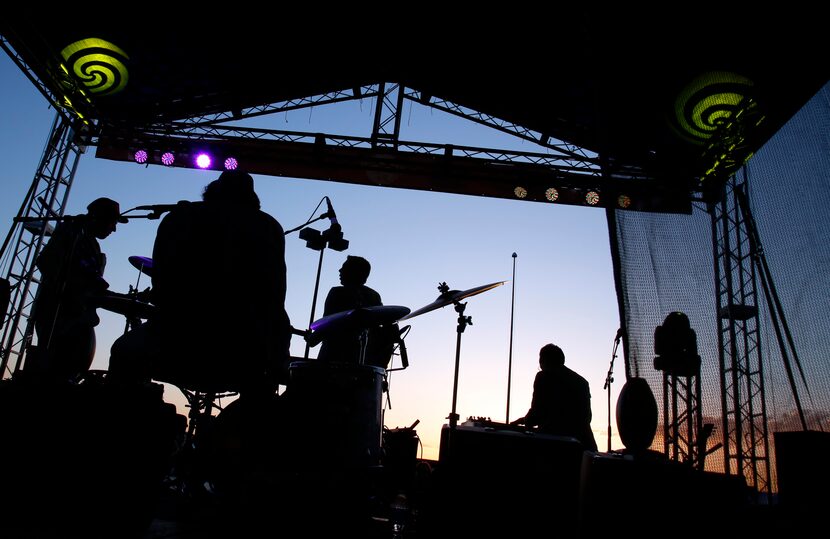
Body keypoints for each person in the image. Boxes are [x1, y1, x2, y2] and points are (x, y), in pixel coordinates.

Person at [108, 170, 292, 399]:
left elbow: (162, 280)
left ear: (213, 190)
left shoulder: (180, 216)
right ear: (252, 198)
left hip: (177, 339)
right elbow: (275, 294)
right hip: (244, 345)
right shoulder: (270, 226)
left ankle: (118, 424)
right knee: (263, 380)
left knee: (123, 352)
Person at [30, 197, 127, 382]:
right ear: (99, 218)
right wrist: (68, 293)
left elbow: (92, 287)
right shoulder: (71, 232)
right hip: (60, 317)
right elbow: (47, 263)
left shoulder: (92, 245)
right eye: (113, 222)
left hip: (77, 318)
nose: (114, 229)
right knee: (55, 374)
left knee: (71, 373)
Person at [511, 343, 598, 451]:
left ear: (544, 360)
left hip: (556, 447)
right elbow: (587, 417)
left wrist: (524, 421)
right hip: (583, 447)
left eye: (540, 361)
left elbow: (537, 414)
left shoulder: (544, 376)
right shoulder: (582, 382)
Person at [315, 255, 394, 367]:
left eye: (344, 268)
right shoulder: (373, 296)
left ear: (353, 272)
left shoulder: (337, 293)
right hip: (363, 364)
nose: (340, 270)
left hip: (333, 360)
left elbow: (326, 325)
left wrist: (312, 339)